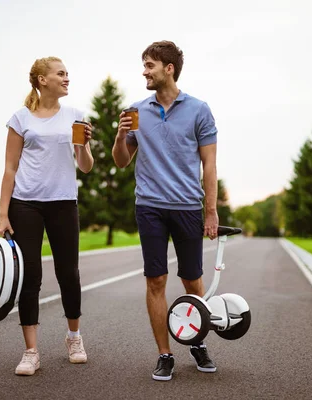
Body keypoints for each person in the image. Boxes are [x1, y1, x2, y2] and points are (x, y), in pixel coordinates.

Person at [112, 41, 219, 381]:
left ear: (169, 68)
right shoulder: (136, 110)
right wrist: (120, 136)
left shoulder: (199, 109)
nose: (144, 71)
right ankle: (164, 354)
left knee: (192, 279)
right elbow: (121, 161)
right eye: (144, 65)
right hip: (150, 207)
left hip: (188, 206)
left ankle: (197, 342)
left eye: (150, 65)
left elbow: (210, 165)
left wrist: (211, 210)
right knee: (156, 279)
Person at [0, 56, 94, 376]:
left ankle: (74, 338)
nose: (67, 78)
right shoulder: (20, 118)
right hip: (26, 204)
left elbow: (85, 165)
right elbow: (10, 168)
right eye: (61, 73)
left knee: (69, 273)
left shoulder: (76, 116)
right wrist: (3, 215)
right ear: (42, 80)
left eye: (68, 73)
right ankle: (31, 351)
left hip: (64, 201)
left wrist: (85, 145)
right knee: (30, 277)